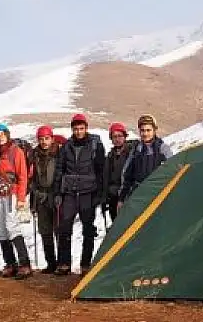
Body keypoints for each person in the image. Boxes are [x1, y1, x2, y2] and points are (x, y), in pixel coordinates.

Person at [53, 113, 106, 275]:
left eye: (81, 128)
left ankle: (85, 264)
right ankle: (64, 264)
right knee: (65, 228)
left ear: (86, 128)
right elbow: (59, 170)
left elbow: (101, 171)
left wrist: (99, 194)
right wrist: (58, 192)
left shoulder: (95, 145)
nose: (78, 131)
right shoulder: (66, 147)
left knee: (88, 229)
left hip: (88, 193)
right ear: (72, 129)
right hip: (69, 192)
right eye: (75, 129)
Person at [0, 124, 33, 278]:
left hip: (12, 192)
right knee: (0, 228)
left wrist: (21, 198)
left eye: (2, 134)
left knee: (12, 226)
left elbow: (22, 175)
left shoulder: (16, 151)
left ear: (7, 134)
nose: (0, 137)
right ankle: (10, 263)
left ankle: (25, 264)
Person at [119, 114, 173, 206]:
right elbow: (128, 175)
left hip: (157, 196)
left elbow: (172, 172)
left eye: (148, 130)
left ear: (154, 130)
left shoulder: (163, 149)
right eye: (142, 130)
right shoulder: (136, 149)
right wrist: (121, 199)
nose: (145, 133)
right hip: (138, 195)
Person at [28, 125, 61, 273]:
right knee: (45, 231)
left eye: (46, 138)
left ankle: (62, 263)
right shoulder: (34, 155)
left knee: (59, 230)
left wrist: (60, 193)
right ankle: (51, 263)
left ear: (52, 138)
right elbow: (32, 177)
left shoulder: (59, 153)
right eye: (41, 139)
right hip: (41, 197)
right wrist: (33, 197)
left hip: (56, 196)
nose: (44, 141)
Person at [101, 122, 132, 224]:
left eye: (120, 136)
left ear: (124, 137)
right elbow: (106, 178)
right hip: (112, 196)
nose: (117, 139)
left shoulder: (132, 153)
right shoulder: (110, 156)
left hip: (127, 195)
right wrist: (104, 197)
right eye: (114, 136)